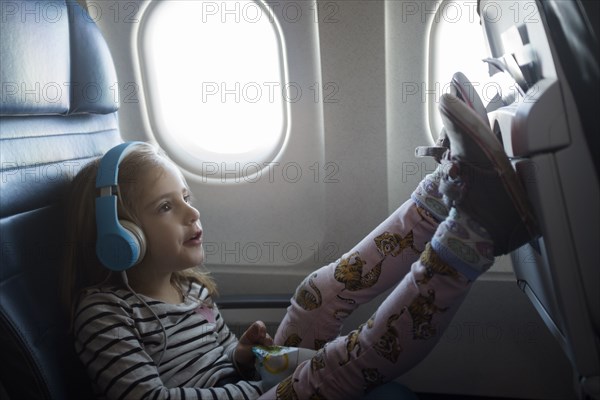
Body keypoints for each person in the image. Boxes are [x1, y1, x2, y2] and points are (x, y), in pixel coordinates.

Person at [61, 93, 537, 399]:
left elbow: (217, 367)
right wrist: (255, 388)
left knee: (316, 293)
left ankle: (439, 199)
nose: (192, 213)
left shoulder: (189, 290)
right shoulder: (105, 313)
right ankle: (476, 235)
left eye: (187, 197)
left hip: (246, 387)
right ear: (119, 236)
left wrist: (242, 357)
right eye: (166, 207)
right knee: (336, 366)